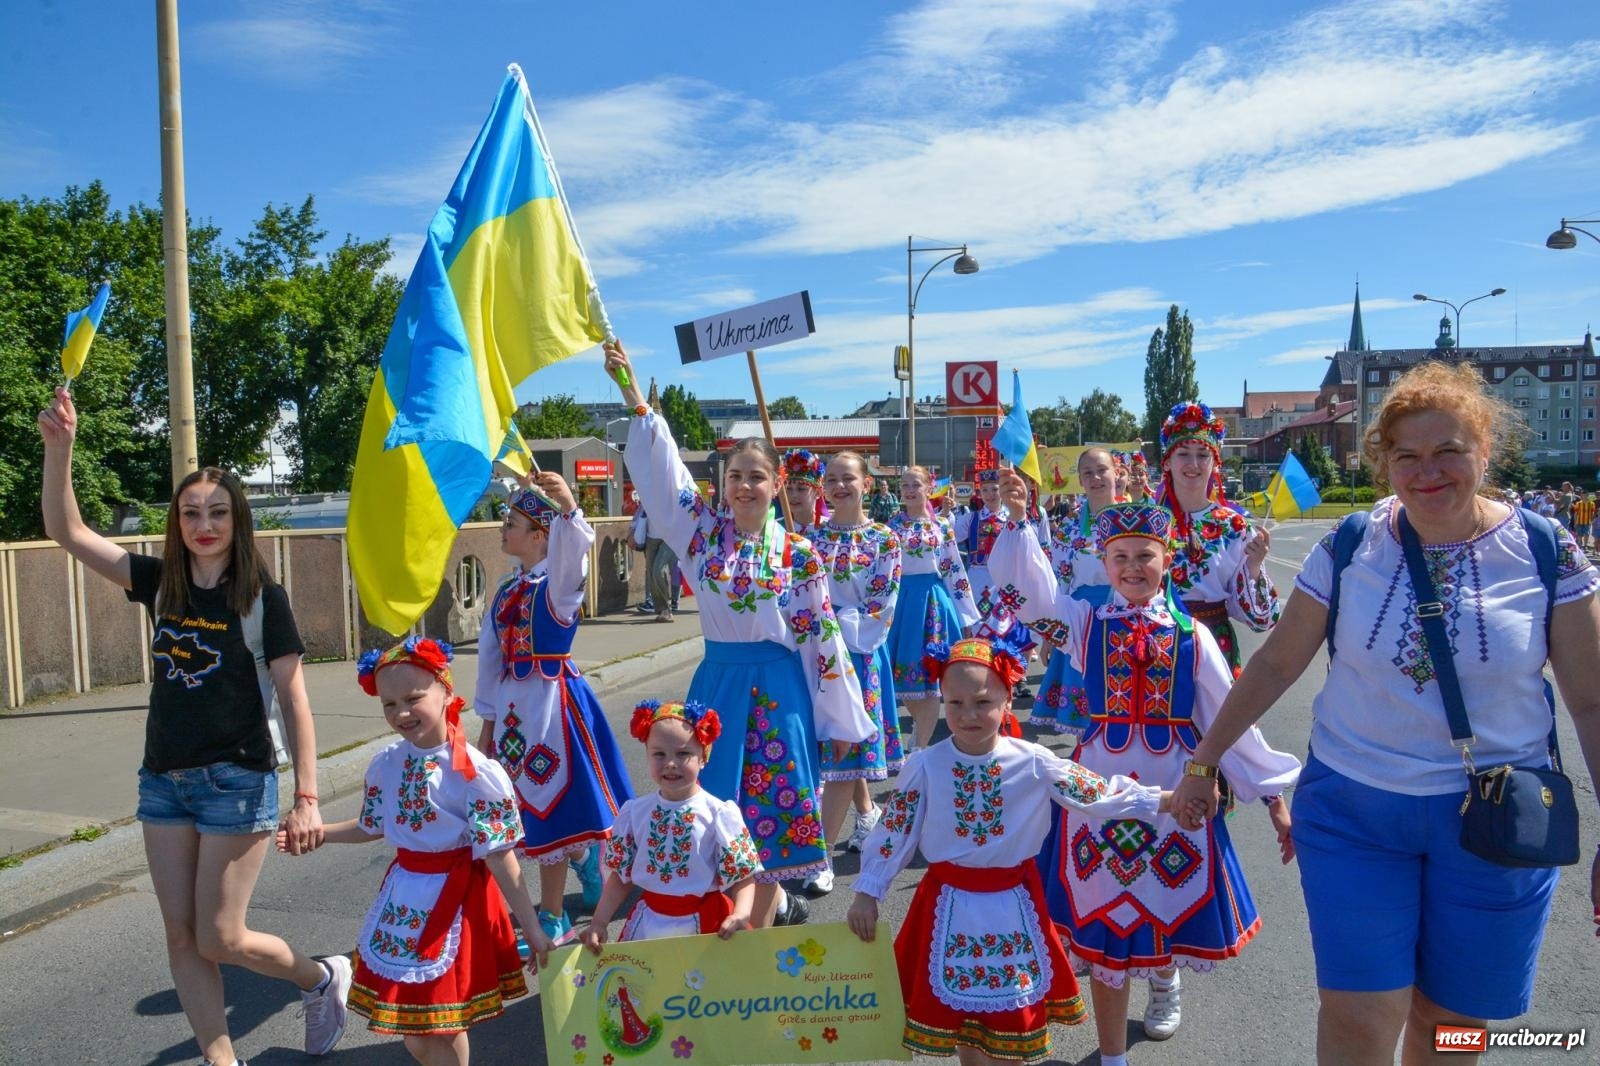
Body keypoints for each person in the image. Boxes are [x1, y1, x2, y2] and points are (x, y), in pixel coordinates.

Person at [1172, 360, 1600, 1065]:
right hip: (1355, 813)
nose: (1428, 472)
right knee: (1359, 1012)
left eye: (1448, 452)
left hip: (1495, 821)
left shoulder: (1544, 553)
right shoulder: (1351, 544)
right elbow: (1278, 662)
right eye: (1408, 456)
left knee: (1452, 1024)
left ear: (1484, 452)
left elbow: (1589, 699)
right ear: (1385, 464)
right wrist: (1203, 762)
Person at [36, 387, 349, 1066]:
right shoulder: (159, 583)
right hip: (164, 783)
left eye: (217, 512)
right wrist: (59, 450)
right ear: (177, 522)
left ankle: (321, 977)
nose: (204, 524)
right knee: (181, 937)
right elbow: (69, 532)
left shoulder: (264, 598)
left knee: (220, 938)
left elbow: (295, 700)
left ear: (237, 521)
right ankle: (220, 1059)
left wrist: (307, 797)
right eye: (190, 513)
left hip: (237, 781)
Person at [990, 487, 1299, 1062]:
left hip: (1174, 792)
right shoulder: (1085, 625)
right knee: (1108, 929)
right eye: (1121, 557)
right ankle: (1112, 1057)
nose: (1133, 568)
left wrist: (1274, 798)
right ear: (1104, 563)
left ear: (1167, 561)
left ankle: (1163, 983)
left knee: (1160, 906)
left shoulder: (1191, 635)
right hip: (1100, 795)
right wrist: (1017, 522)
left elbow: (1227, 715)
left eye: (1145, 555)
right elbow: (1031, 599)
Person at [605, 341, 873, 927]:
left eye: (757, 477)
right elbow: (663, 474)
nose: (745, 486)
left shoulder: (799, 555)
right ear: (722, 486)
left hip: (781, 690)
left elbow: (824, 644)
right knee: (714, 804)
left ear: (777, 486)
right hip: (719, 684)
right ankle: (722, 917)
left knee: (773, 809)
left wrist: (844, 721)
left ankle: (763, 923)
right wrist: (634, 398)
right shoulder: (699, 536)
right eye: (735, 477)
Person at [846, 637, 1174, 1065]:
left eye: (983, 701)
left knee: (1011, 1016)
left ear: (1007, 697)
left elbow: (1096, 794)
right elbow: (895, 831)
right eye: (955, 702)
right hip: (947, 903)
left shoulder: (1034, 760)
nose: (967, 715)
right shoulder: (926, 765)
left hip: (1013, 906)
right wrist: (868, 891)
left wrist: (1163, 800)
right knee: (964, 1020)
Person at [292, 638, 551, 1065]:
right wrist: (320, 833)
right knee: (416, 1031)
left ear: (446, 691)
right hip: (405, 897)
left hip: (458, 905)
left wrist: (532, 927)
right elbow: (372, 827)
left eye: (414, 698)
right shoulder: (387, 763)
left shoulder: (475, 773)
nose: (401, 713)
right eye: (389, 703)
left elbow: (499, 854)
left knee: (442, 1026)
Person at [474, 476, 633, 940]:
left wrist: (567, 508)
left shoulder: (557, 589)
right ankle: (583, 862)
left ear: (540, 535)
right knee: (521, 804)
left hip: (555, 707)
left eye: (513, 523)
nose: (504, 529)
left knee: (551, 802)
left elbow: (571, 558)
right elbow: (489, 661)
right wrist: (486, 727)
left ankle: (550, 914)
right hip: (512, 712)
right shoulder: (506, 591)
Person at [578, 700, 758, 949]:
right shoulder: (635, 813)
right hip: (649, 923)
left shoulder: (718, 814)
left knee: (699, 987)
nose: (671, 763)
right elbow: (620, 877)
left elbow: (743, 876)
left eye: (683, 754)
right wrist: (599, 922)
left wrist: (741, 914)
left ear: (703, 757)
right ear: (648, 755)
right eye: (659, 754)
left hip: (706, 924)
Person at [805, 450, 904, 897]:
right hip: (813, 657)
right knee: (829, 751)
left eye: (848, 478)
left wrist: (832, 625)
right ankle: (866, 816)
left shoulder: (885, 540)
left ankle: (820, 855)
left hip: (859, 655)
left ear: (867, 484)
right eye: (831, 479)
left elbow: (879, 605)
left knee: (844, 755)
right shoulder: (809, 540)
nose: (839, 486)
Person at [1154, 402, 1277, 676]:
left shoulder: (1233, 525)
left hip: (1214, 647)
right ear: (1167, 462)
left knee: (1217, 719)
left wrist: (1254, 566)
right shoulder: (1149, 523)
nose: (1193, 464)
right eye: (1183, 453)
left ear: (1215, 462)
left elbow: (1262, 619)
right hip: (1156, 643)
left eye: (1203, 455)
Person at [887, 466, 981, 751]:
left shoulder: (941, 526)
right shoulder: (890, 527)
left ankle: (920, 747)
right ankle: (920, 728)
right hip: (902, 603)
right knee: (903, 678)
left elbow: (954, 569)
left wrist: (965, 615)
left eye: (915, 484)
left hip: (934, 604)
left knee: (930, 680)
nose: (909, 490)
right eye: (904, 485)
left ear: (929, 488)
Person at [1034, 447, 1118, 734]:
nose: (1096, 478)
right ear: (1080, 480)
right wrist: (1050, 635)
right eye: (1088, 473)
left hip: (1125, 614)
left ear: (1116, 473)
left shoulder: (1135, 520)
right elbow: (1060, 584)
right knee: (1085, 695)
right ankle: (1087, 758)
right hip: (1081, 619)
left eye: (1102, 470)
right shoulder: (1068, 528)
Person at [781, 449, 825, 533]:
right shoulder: (776, 528)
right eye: (788, 489)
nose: (794, 495)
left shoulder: (829, 528)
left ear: (818, 492)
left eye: (801, 489)